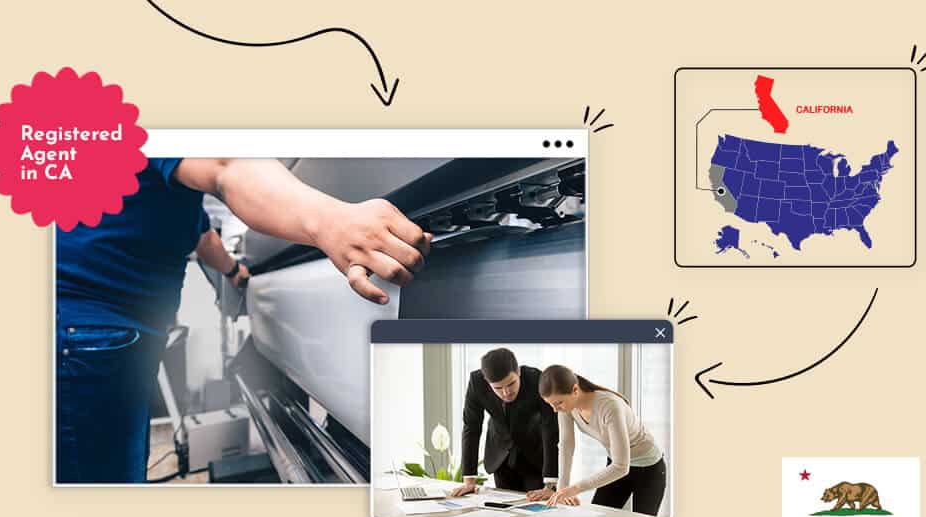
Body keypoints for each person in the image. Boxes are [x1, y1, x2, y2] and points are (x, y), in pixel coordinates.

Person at [56, 158, 431, 483]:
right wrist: (329, 220)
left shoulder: (171, 188)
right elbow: (227, 165)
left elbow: (204, 239)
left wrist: (237, 273)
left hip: (102, 334)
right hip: (90, 332)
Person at [538, 364, 666, 516]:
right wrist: (562, 490)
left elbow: (621, 467)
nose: (555, 409)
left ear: (575, 390)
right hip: (615, 464)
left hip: (648, 469)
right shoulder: (566, 407)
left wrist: (576, 488)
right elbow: (566, 446)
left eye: (558, 403)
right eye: (550, 404)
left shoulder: (610, 406)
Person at [450, 348, 559, 498]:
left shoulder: (537, 380)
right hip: (500, 458)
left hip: (535, 458)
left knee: (536, 510)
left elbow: (550, 429)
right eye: (498, 388)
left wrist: (550, 485)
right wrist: (469, 481)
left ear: (518, 372)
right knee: (506, 510)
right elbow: (471, 428)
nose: (506, 392)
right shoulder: (477, 382)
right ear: (488, 383)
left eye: (511, 384)